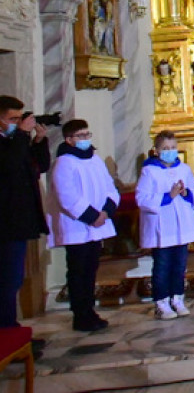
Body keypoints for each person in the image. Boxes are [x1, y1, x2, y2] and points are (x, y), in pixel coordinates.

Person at [47, 119, 119, 332]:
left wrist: (106, 212)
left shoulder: (95, 160)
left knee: (90, 270)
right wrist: (91, 216)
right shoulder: (64, 163)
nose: (86, 139)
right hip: (78, 226)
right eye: (81, 136)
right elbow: (66, 196)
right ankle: (80, 314)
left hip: (98, 222)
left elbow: (109, 187)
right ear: (69, 140)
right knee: (78, 272)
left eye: (87, 135)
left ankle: (90, 310)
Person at [0, 96, 49, 355]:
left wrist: (38, 142)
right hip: (5, 225)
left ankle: (12, 333)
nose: (19, 124)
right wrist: (21, 135)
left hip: (19, 223)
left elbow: (38, 167)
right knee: (6, 283)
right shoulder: (8, 143)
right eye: (13, 119)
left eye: (21, 119)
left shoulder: (14, 142)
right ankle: (8, 340)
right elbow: (7, 165)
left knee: (12, 280)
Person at [136, 130, 194, 321]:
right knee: (163, 266)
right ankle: (161, 302)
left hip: (181, 226)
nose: (170, 151)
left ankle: (177, 299)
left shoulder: (183, 169)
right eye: (165, 148)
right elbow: (142, 198)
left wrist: (186, 193)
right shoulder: (149, 171)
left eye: (173, 148)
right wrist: (168, 196)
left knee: (179, 265)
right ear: (156, 150)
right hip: (162, 227)